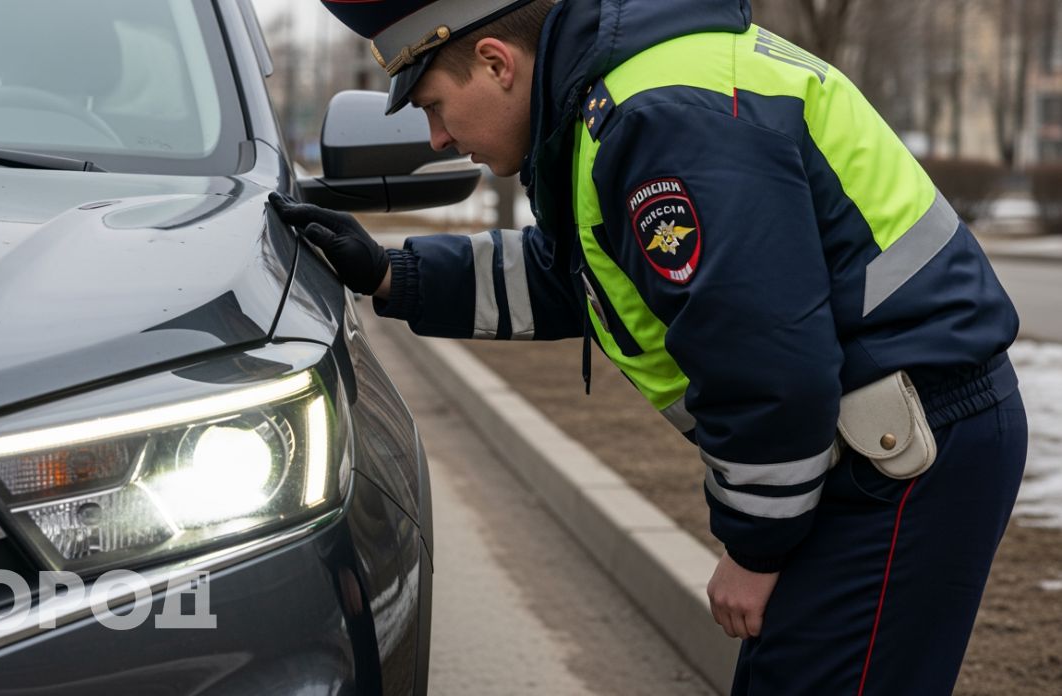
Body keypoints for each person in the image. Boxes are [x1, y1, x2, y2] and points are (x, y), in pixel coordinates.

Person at [270, 1, 1029, 693]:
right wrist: (391, 272)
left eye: (435, 105)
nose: (436, 136)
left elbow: (764, 355)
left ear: (499, 63)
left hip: (904, 452)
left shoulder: (657, 115)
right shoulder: (618, 96)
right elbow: (580, 274)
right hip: (878, 438)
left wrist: (755, 549)